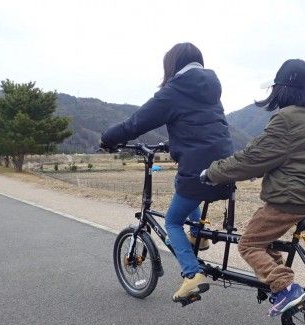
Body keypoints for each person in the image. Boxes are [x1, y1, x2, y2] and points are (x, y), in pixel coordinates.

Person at [100, 42, 234, 302]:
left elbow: (136, 123)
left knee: (172, 220)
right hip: (226, 166)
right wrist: (175, 143)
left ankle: (192, 274)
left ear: (172, 64)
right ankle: (198, 236)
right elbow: (202, 128)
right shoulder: (211, 88)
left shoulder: (175, 91)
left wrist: (107, 139)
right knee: (185, 188)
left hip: (198, 168)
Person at [201, 59, 305, 317]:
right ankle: (284, 286)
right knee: (264, 239)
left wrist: (213, 172)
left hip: (292, 199)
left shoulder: (286, 118)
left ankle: (286, 289)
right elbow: (281, 157)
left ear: (281, 89)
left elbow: (254, 157)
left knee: (249, 244)